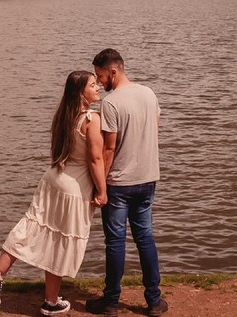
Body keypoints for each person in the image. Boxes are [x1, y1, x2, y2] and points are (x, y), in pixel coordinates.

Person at [0, 71, 107, 316]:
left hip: (52, 179)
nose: (98, 88)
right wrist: (102, 191)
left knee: (32, 225)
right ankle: (50, 301)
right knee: (60, 241)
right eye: (93, 85)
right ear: (80, 93)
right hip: (73, 187)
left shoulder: (63, 116)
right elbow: (95, 159)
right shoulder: (91, 119)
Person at [86, 48, 168, 316]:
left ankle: (111, 302)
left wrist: (100, 186)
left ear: (113, 71)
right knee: (145, 238)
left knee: (115, 242)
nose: (99, 83)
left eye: (100, 76)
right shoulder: (149, 93)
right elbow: (155, 129)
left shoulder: (111, 103)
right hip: (148, 179)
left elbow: (109, 149)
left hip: (120, 183)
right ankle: (154, 301)